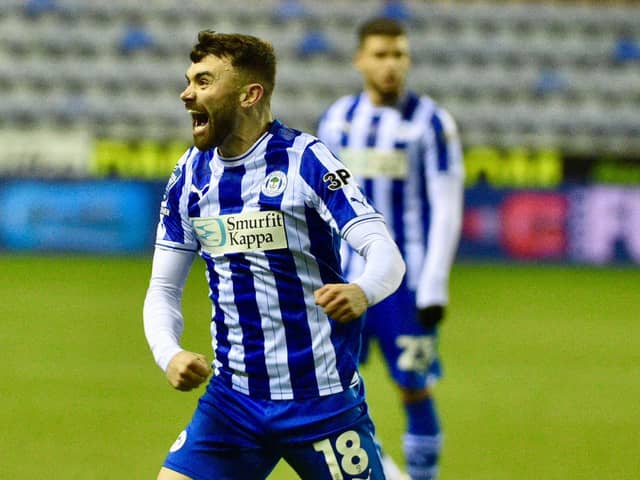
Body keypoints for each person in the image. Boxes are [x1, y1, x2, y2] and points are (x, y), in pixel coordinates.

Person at [143, 30, 406, 480]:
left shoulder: (306, 160)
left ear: (250, 93)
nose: (187, 94)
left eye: (203, 82)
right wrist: (168, 353)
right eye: (189, 81)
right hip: (233, 404)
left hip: (321, 403)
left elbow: (383, 249)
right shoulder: (189, 176)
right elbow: (164, 288)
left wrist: (363, 289)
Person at [317, 18, 465, 480]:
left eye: (398, 54)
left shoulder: (432, 123)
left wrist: (435, 284)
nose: (390, 64)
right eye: (380, 55)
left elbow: (446, 204)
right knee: (332, 392)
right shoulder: (338, 120)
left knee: (415, 389)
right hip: (347, 282)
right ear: (360, 60)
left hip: (407, 285)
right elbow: (322, 203)